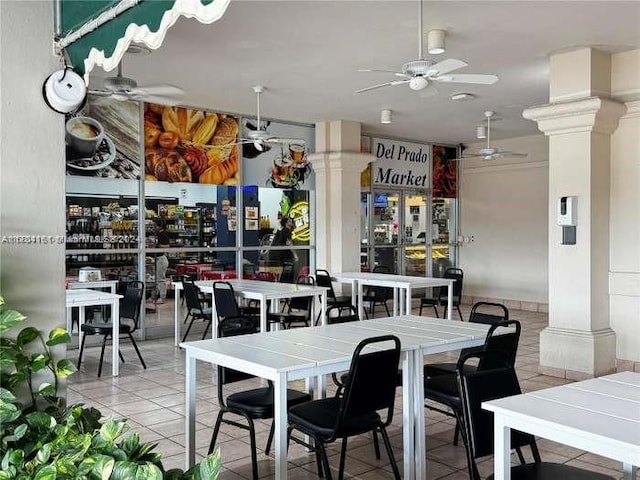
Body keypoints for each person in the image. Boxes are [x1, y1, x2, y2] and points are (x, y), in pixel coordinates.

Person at [154, 219, 170, 304]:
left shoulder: (164, 234)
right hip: (156, 259)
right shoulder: (157, 234)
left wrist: (157, 245)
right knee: (155, 279)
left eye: (155, 225)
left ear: (159, 226)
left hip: (161, 259)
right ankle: (154, 296)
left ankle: (162, 297)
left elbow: (167, 246)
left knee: (161, 279)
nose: (154, 227)